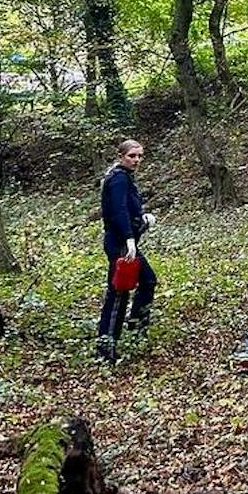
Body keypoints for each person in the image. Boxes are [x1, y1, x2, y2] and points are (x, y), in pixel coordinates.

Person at [97, 139, 157, 362]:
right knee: (118, 293)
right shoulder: (119, 178)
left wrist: (142, 220)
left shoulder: (124, 177)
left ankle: (135, 331)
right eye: (132, 156)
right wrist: (130, 239)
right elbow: (118, 210)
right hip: (120, 244)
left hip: (125, 242)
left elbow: (129, 209)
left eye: (140, 156)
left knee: (148, 281)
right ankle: (106, 348)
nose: (137, 160)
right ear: (121, 156)